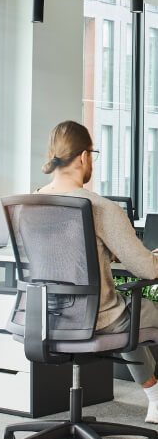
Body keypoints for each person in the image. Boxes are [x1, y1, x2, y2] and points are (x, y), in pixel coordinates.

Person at [37, 120, 158, 423]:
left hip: (44, 316)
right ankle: (155, 395)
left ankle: (154, 394)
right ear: (83, 157)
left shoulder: (32, 202)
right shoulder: (101, 207)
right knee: (131, 313)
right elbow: (145, 268)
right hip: (97, 319)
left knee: (127, 312)